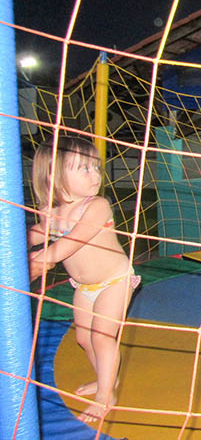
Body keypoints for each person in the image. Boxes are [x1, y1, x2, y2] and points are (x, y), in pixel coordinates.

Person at [28, 136, 140, 422]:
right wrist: (19, 243)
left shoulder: (97, 206)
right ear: (54, 175)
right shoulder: (50, 212)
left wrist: (41, 260)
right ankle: (107, 378)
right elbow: (37, 233)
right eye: (84, 169)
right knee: (84, 338)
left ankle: (105, 396)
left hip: (114, 281)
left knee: (102, 337)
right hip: (84, 286)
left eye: (96, 168)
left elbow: (72, 242)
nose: (95, 175)